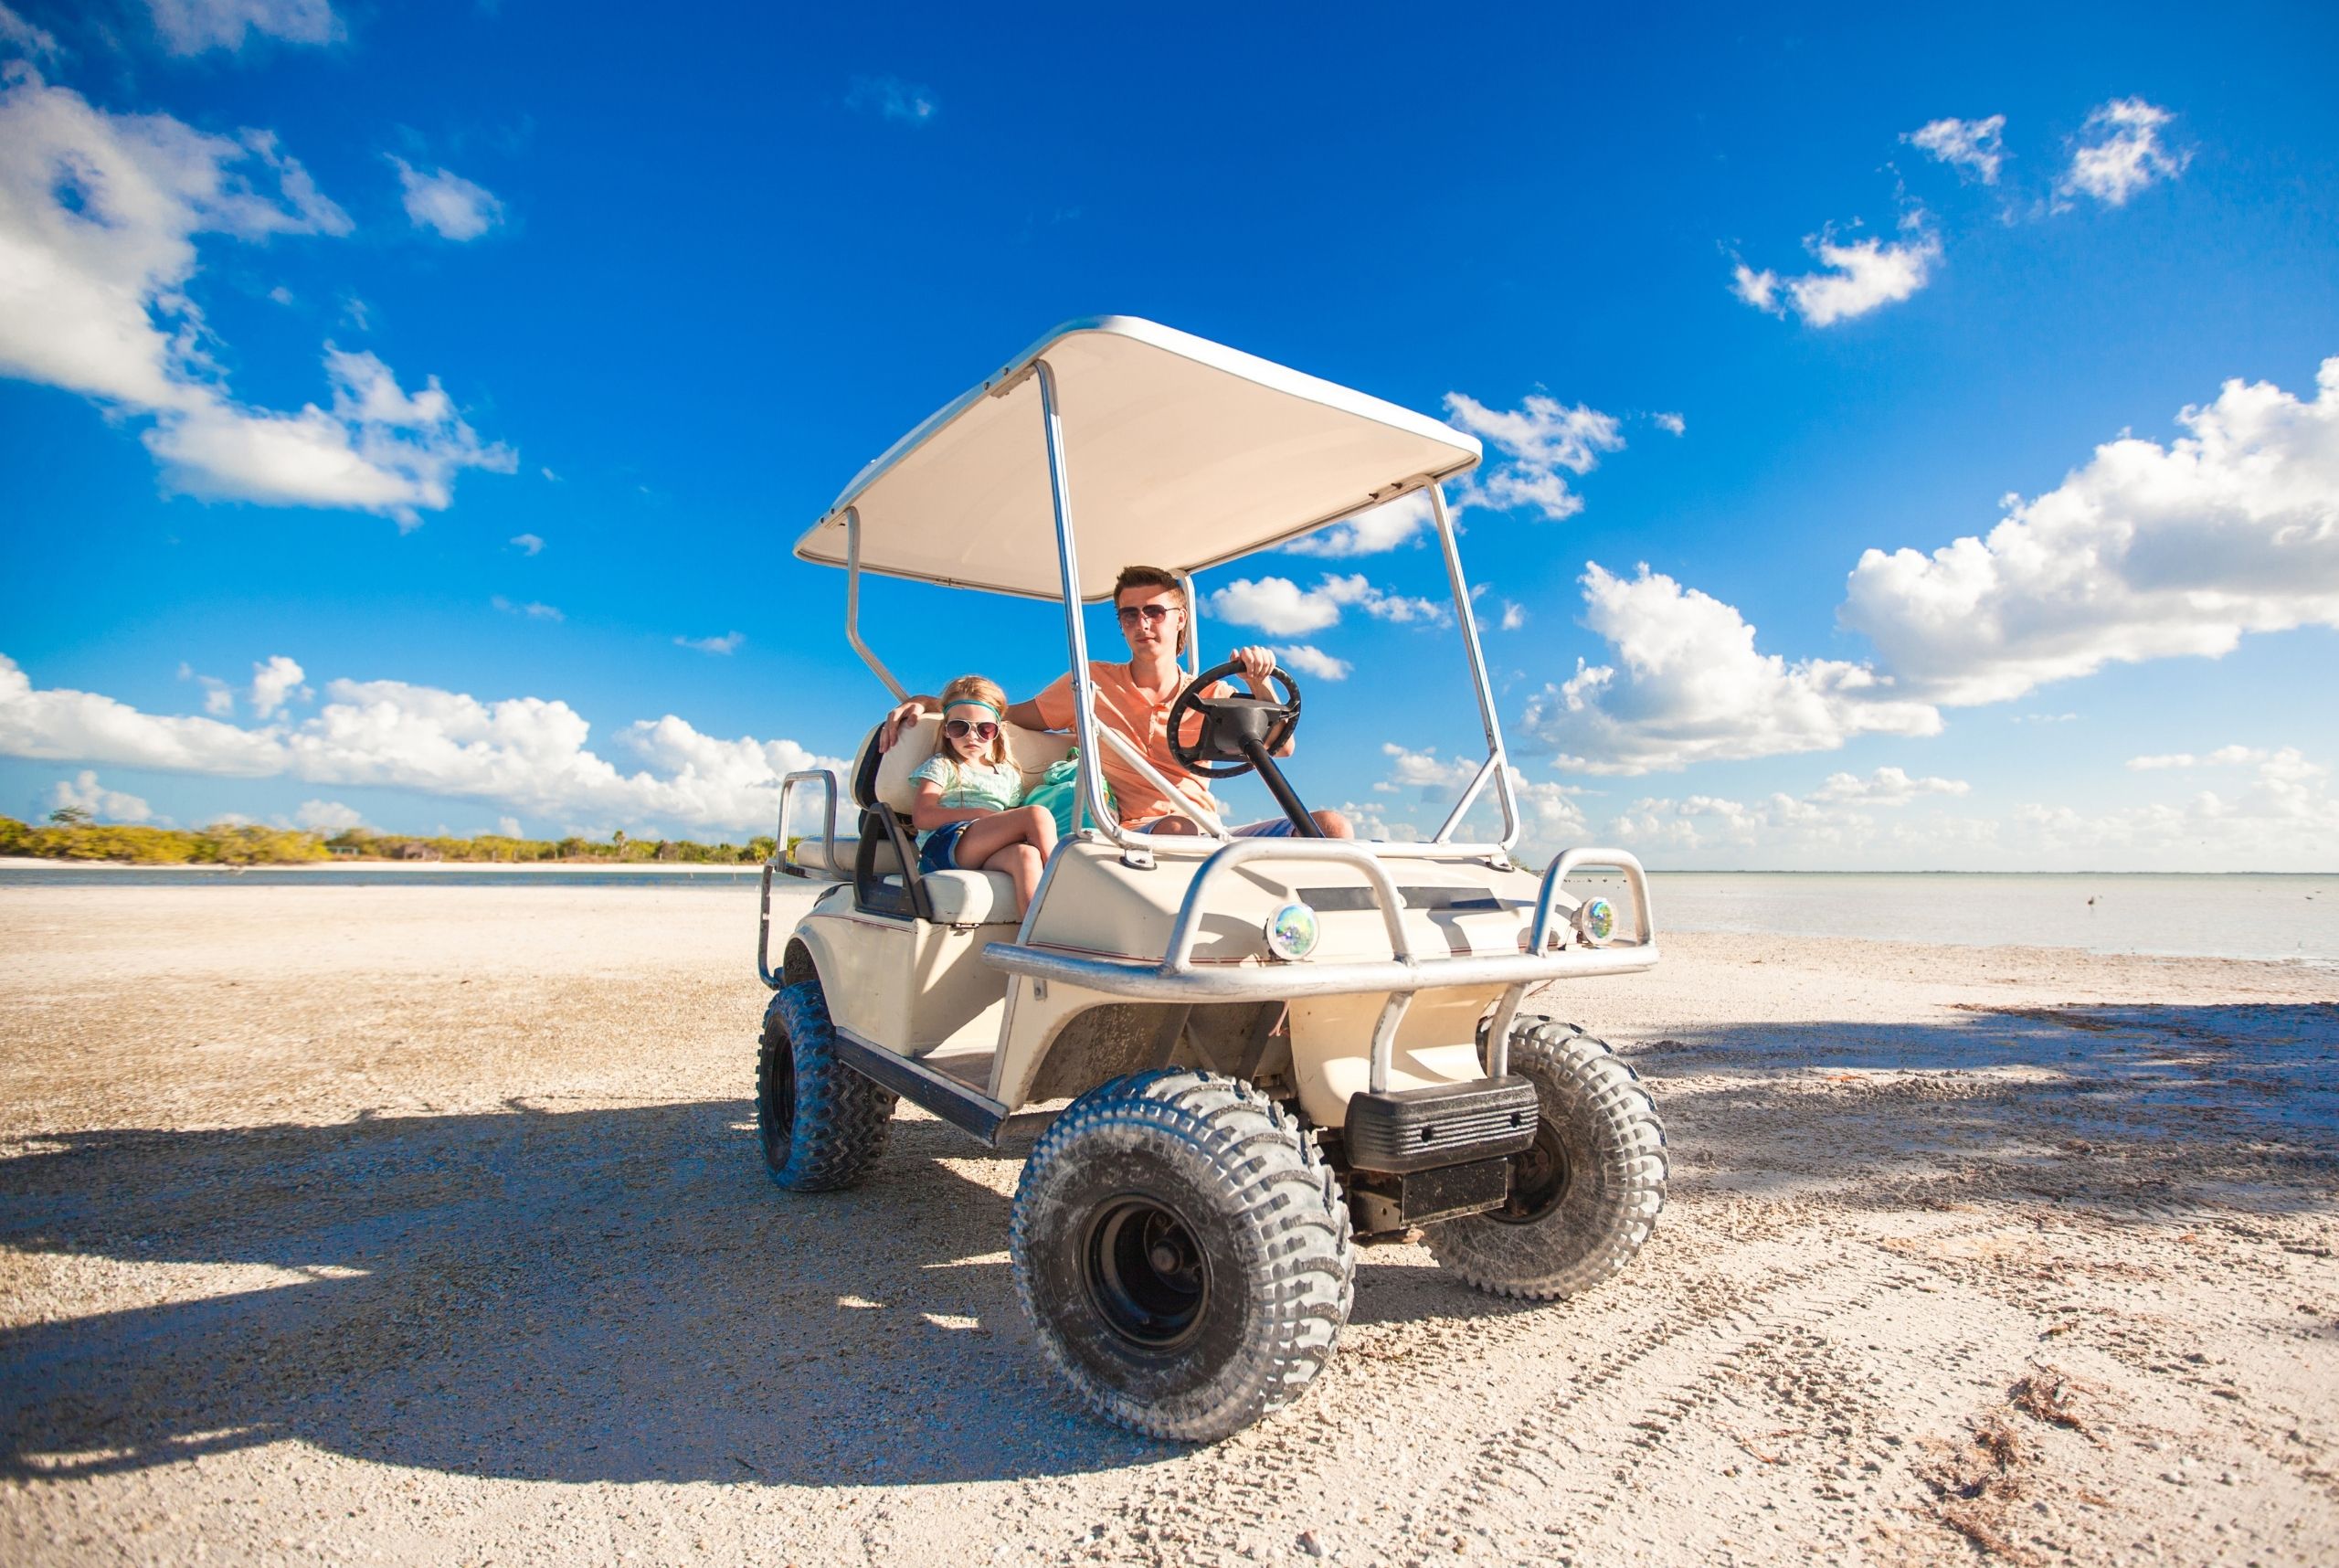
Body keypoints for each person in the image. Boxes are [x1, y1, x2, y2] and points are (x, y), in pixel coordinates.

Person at [880, 566, 1353, 841]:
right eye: (1130, 614)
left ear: (1179, 618)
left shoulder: (1214, 693)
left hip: (1208, 832)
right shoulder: (1090, 681)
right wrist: (938, 703)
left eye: (1154, 611)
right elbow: (1007, 715)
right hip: (1133, 834)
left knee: (1330, 827)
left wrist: (1260, 683)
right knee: (1175, 832)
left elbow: (1279, 748)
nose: (1142, 622)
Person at [906, 674, 1060, 916]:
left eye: (984, 729)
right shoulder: (943, 765)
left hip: (983, 848)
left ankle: (1035, 937)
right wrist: (979, 815)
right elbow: (923, 816)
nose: (972, 736)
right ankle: (1067, 882)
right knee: (1037, 815)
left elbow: (1008, 818)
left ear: (996, 732)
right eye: (960, 727)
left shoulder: (1007, 775)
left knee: (1026, 855)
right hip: (945, 845)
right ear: (946, 731)